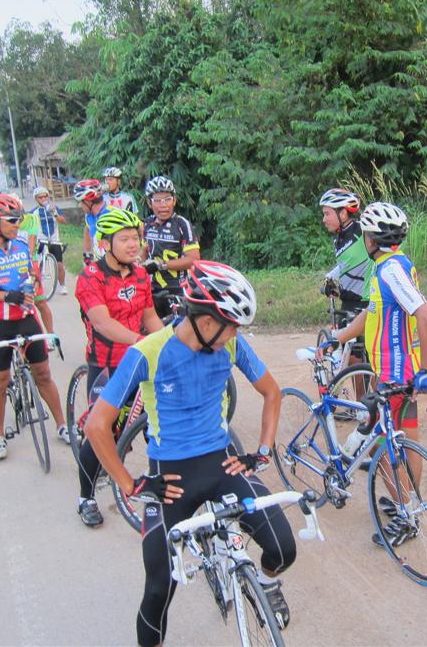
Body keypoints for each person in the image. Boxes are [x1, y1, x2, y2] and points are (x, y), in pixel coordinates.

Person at [84, 261, 297, 645]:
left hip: (222, 462)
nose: (235, 334)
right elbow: (96, 426)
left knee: (283, 550)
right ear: (205, 320)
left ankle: (266, 585)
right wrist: (131, 485)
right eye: (231, 325)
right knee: (158, 588)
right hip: (170, 480)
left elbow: (271, 392)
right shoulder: (148, 352)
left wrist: (262, 452)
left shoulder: (230, 343)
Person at [331, 202, 427, 547]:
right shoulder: (392, 265)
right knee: (406, 439)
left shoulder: (389, 270)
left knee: (385, 443)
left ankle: (407, 514)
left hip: (395, 373)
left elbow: (426, 315)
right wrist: (339, 337)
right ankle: (407, 504)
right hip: (396, 369)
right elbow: (372, 313)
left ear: (370, 240)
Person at [0, 194, 70, 460]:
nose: (17, 225)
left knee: (43, 374)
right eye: (11, 220)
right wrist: (4, 296)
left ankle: (63, 425)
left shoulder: (20, 244)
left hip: (28, 318)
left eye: (19, 220)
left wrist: (32, 281)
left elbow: (32, 272)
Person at [74, 208, 162, 527]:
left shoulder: (140, 275)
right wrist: (141, 340)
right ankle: (85, 497)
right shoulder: (90, 278)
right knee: (101, 430)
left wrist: (167, 343)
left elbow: (150, 316)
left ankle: (163, 483)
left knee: (159, 421)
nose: (132, 244)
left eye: (135, 238)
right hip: (106, 364)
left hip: (139, 360)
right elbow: (102, 323)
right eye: (123, 239)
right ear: (105, 244)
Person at [141, 176, 200, 318]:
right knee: (152, 329)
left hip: (177, 290)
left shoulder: (182, 224)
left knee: (177, 329)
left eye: (167, 199)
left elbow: (193, 259)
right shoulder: (147, 223)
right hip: (151, 289)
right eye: (157, 200)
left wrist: (161, 265)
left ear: (174, 200)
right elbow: (143, 252)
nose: (163, 205)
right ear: (149, 203)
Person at [15, 208, 55, 336]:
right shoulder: (2, 223)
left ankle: (51, 335)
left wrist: (28, 267)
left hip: (30, 263)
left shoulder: (31, 219)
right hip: (10, 266)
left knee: (40, 302)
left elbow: (31, 242)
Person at [30, 186, 68, 295]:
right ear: (36, 199)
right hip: (41, 241)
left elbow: (64, 221)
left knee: (59, 265)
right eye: (40, 197)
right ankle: (36, 285)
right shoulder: (33, 212)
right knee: (37, 265)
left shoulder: (54, 208)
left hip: (54, 240)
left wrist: (55, 213)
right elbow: (30, 229)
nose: (43, 199)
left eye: (45, 196)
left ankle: (62, 285)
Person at [75, 179, 115, 262]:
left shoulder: (112, 215)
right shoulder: (89, 216)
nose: (81, 205)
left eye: (81, 202)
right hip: (99, 262)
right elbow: (87, 231)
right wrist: (87, 254)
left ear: (87, 201)